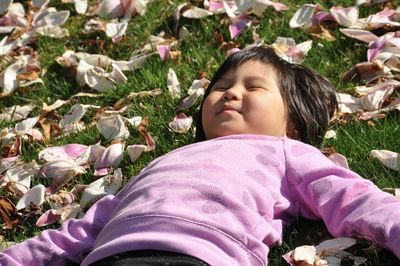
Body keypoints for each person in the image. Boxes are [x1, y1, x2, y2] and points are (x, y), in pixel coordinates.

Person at [1, 46, 399, 266]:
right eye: (222, 85)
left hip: (201, 257)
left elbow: (351, 198)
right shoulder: (161, 163)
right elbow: (84, 231)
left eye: (253, 87)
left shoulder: (286, 151)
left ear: (292, 124)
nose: (230, 92)